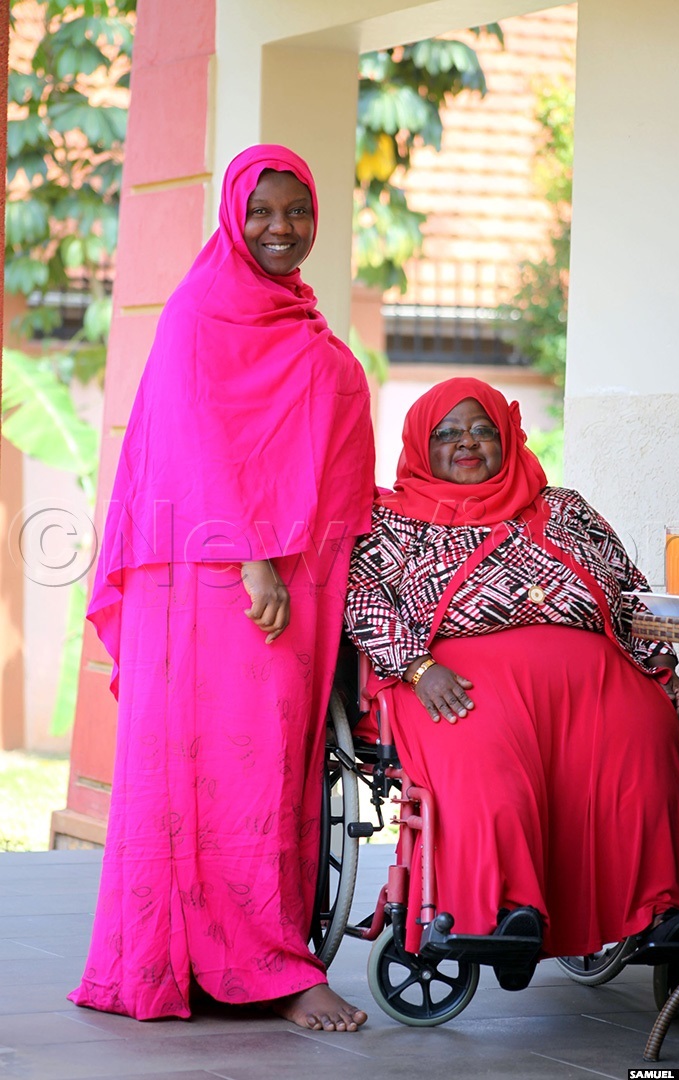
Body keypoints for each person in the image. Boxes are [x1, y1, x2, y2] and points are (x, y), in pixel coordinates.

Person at [69, 145, 374, 1031]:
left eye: (297, 212)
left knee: (270, 776)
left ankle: (265, 962)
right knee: (198, 775)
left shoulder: (306, 326)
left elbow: (323, 445)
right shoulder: (198, 314)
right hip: (213, 586)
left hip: (294, 581)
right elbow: (192, 445)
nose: (282, 229)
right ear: (234, 217)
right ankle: (203, 962)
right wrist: (250, 554)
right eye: (263, 212)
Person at [344, 376, 679, 991]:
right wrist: (418, 667)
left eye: (485, 430)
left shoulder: (563, 507)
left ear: (508, 437)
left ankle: (663, 910)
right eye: (449, 434)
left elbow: (626, 589)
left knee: (642, 731)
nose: (469, 443)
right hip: (451, 679)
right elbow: (364, 605)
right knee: (484, 747)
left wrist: (657, 660)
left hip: (593, 677)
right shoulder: (389, 523)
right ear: (420, 445)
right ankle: (505, 911)